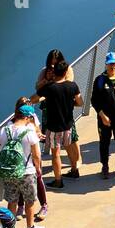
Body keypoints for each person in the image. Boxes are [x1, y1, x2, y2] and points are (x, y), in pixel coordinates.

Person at [0, 102, 44, 228]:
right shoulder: (30, 132)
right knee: (29, 200)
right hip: (27, 171)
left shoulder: (6, 130)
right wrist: (38, 169)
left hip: (9, 172)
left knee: (12, 200)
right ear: (27, 117)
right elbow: (36, 154)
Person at [33, 59, 82, 187]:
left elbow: (34, 99)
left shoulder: (50, 88)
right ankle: (74, 170)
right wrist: (71, 103)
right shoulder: (73, 86)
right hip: (68, 125)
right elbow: (80, 102)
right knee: (70, 147)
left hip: (54, 127)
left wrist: (28, 100)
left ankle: (58, 181)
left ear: (54, 72)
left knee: (56, 154)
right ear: (66, 72)